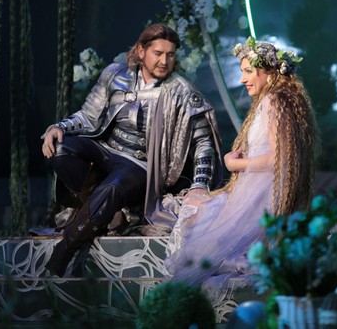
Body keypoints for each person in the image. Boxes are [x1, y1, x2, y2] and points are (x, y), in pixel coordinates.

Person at [40, 23, 222, 277]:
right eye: (158, 53)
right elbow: (89, 115)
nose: (164, 61)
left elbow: (204, 143)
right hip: (106, 150)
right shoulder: (115, 75)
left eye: (170, 55)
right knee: (60, 149)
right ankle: (106, 209)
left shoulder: (182, 91)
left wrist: (199, 185)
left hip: (139, 165)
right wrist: (58, 127)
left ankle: (64, 250)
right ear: (141, 51)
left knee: (113, 187)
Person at [163, 36, 318, 299]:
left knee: (196, 213)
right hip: (264, 194)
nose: (243, 79)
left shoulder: (273, 101)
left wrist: (234, 163)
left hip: (262, 200)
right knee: (199, 205)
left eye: (248, 71)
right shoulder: (279, 100)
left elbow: (278, 159)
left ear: (268, 72)